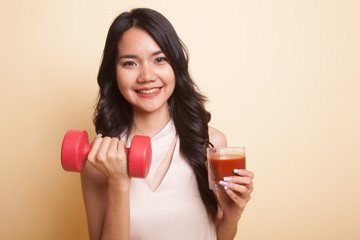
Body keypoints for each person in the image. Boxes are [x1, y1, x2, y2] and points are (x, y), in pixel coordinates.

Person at [81, 8, 254, 240]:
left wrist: (232, 218)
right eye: (130, 63)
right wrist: (119, 184)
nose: (147, 76)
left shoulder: (212, 144)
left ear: (176, 65)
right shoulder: (98, 159)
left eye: (160, 59)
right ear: (113, 73)